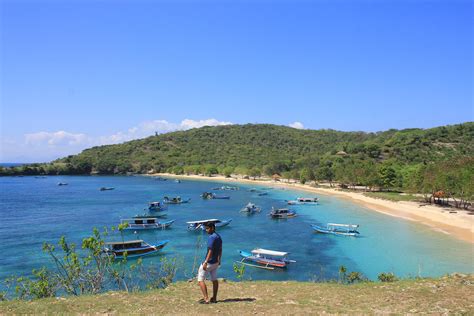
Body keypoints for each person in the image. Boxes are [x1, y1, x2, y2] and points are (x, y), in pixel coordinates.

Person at [197, 222, 222, 304]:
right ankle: (214, 298)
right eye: (205, 228)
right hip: (215, 262)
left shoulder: (211, 237)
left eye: (207, 228)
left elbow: (210, 251)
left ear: (212, 228)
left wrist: (205, 262)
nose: (206, 230)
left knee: (200, 280)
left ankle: (206, 298)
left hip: (209, 262)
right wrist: (219, 260)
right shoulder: (218, 237)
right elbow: (220, 249)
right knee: (214, 280)